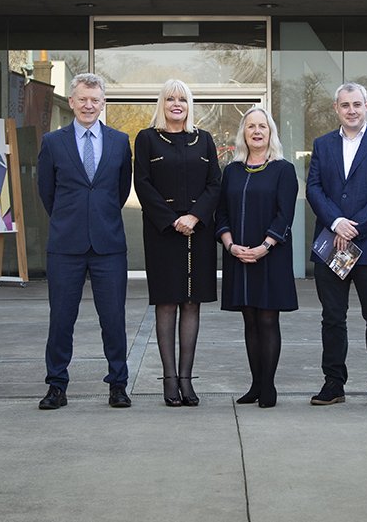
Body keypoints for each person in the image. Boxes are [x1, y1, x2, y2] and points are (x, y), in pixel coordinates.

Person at [35, 73, 134, 410]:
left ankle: (118, 384)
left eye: (95, 100)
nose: (89, 105)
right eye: (83, 99)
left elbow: (120, 191)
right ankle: (56, 386)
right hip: (66, 245)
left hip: (108, 246)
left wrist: (98, 218)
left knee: (113, 319)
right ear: (72, 101)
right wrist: (71, 220)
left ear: (103, 103)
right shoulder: (52, 142)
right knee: (61, 319)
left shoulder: (120, 141)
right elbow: (46, 192)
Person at [306, 82, 367, 408]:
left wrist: (354, 226)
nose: (351, 110)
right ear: (336, 109)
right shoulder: (322, 145)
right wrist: (336, 222)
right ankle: (333, 384)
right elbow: (314, 188)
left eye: (357, 104)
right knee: (333, 318)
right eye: (345, 105)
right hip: (332, 242)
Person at [134, 79, 221, 407]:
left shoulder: (205, 140)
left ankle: (187, 379)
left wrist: (195, 217)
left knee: (191, 303)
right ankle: (169, 380)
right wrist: (172, 220)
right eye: (170, 98)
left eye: (182, 99)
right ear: (162, 103)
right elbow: (142, 184)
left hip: (198, 234)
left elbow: (215, 183)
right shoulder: (146, 139)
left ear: (189, 104)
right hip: (162, 234)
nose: (176, 104)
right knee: (167, 302)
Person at [216, 107, 299, 409]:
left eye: (262, 126)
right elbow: (221, 211)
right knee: (248, 320)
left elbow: (284, 214)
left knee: (266, 319)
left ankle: (269, 386)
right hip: (238, 255)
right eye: (251, 126)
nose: (256, 131)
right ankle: (254, 384)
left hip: (271, 255)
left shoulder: (283, 169)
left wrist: (264, 246)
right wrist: (230, 245)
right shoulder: (232, 171)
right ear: (244, 133)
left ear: (270, 132)